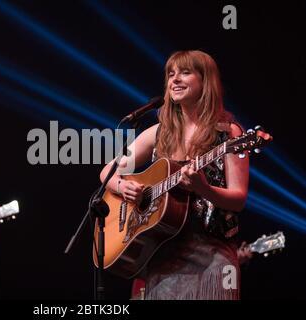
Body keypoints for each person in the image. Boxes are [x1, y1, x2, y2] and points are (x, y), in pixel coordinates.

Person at [100, 50, 249, 300]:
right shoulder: (159, 132)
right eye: (171, 74)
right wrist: (121, 186)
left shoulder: (228, 134)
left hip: (210, 257)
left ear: (206, 81)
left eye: (185, 72)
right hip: (162, 255)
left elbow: (239, 198)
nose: (175, 79)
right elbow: (108, 171)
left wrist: (204, 188)